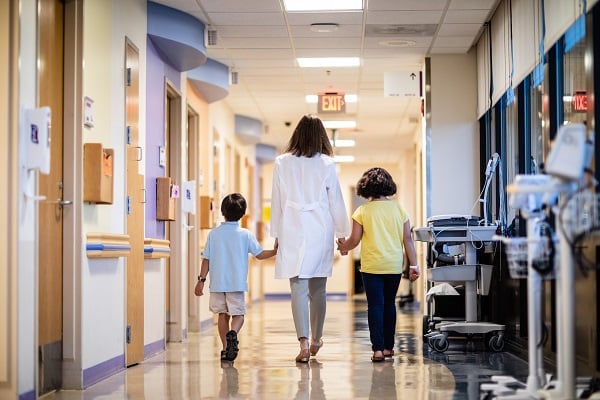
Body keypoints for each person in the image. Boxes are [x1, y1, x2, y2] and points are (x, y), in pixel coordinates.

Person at [270, 114, 350, 363]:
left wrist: (277, 234)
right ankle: (317, 339)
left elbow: (277, 201)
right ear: (321, 137)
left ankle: (303, 342)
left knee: (298, 286)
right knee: (319, 289)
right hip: (319, 226)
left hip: (292, 225)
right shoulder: (326, 163)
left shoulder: (281, 162)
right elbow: (335, 199)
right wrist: (341, 234)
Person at [336, 167, 420, 362]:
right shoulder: (399, 209)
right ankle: (389, 348)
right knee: (389, 305)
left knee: (375, 306)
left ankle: (378, 350)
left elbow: (354, 240)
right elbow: (408, 239)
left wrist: (343, 247)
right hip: (393, 266)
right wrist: (414, 266)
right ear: (388, 185)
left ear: (365, 188)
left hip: (371, 267)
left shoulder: (362, 211)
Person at [195, 193, 277, 362]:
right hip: (236, 283)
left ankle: (225, 349)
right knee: (238, 314)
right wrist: (276, 251)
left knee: (222, 315)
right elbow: (260, 255)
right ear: (243, 213)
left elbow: (206, 260)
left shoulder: (214, 234)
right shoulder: (245, 234)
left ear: (223, 211)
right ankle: (234, 333)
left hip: (217, 283)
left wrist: (201, 281)